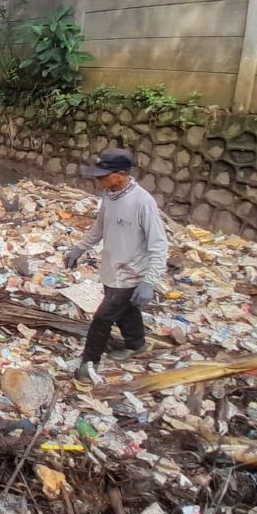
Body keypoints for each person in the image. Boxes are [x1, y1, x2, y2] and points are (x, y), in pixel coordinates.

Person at [64, 149, 169, 380]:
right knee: (126, 311)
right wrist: (79, 248)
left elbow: (159, 245)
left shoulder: (142, 203)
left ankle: (88, 363)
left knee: (102, 319)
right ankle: (136, 344)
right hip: (112, 268)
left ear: (121, 174)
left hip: (131, 274)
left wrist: (149, 282)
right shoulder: (109, 196)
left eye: (103, 175)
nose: (99, 180)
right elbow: (100, 227)